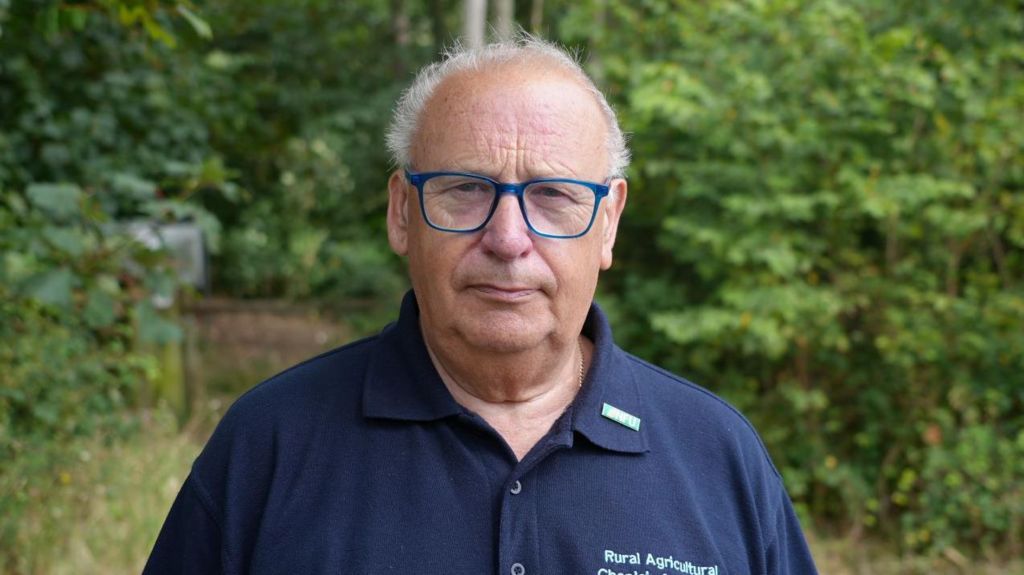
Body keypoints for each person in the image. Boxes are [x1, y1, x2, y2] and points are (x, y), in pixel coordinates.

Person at [144, 36, 818, 574]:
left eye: (554, 195)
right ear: (402, 213)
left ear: (608, 224)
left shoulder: (717, 456)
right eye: (465, 189)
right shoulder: (269, 444)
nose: (508, 238)